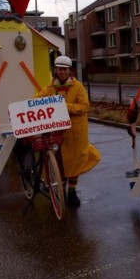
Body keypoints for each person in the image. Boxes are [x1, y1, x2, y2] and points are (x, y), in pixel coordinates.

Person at [35, 55, 101, 207]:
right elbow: (37, 100)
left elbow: (85, 107)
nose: (62, 72)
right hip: (58, 132)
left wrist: (64, 106)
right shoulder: (50, 88)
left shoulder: (77, 87)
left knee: (75, 162)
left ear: (69, 71)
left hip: (75, 133)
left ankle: (72, 192)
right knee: (60, 163)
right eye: (60, 69)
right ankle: (61, 190)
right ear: (55, 70)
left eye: (65, 69)